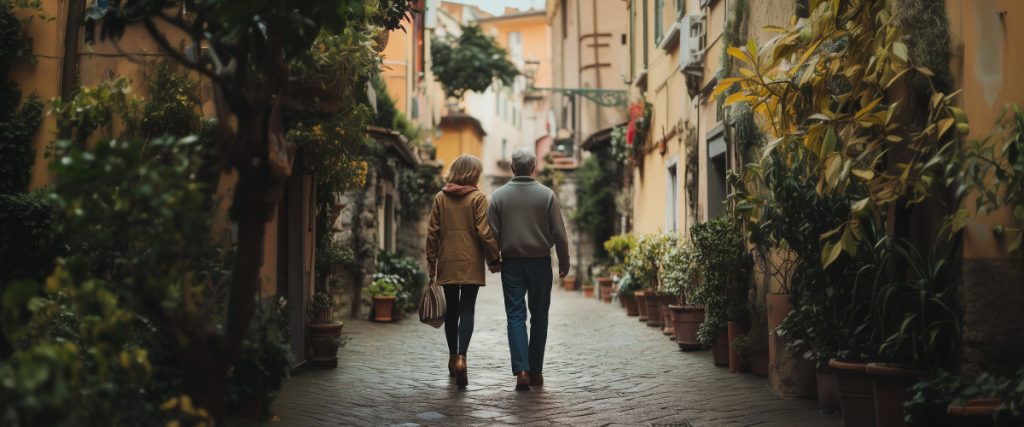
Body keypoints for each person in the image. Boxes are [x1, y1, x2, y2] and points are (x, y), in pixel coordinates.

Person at [487, 148, 570, 391]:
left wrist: (493, 260)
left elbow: (491, 234)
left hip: (511, 263)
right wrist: (564, 262)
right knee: (540, 316)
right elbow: (559, 234)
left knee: (515, 315)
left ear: (512, 168)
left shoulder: (498, 196)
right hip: (540, 263)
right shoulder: (547, 195)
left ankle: (521, 370)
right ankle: (535, 373)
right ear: (533, 168)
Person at [425, 154, 501, 388]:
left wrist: (431, 262)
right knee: (467, 309)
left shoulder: (440, 197)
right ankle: (462, 359)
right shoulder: (478, 198)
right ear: (473, 173)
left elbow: (432, 232)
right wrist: (494, 258)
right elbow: (484, 232)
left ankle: (451, 358)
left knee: (452, 310)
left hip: (448, 260)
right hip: (470, 260)